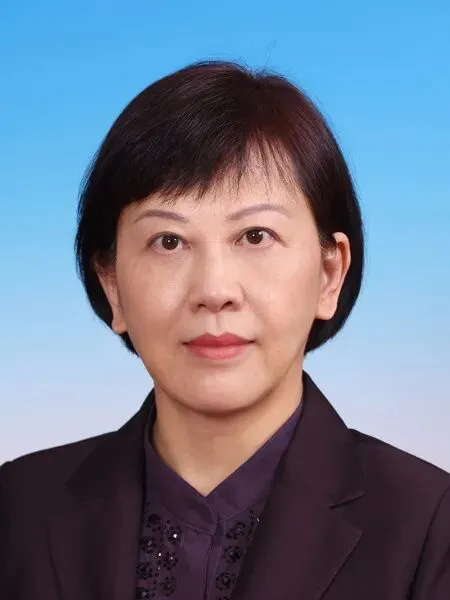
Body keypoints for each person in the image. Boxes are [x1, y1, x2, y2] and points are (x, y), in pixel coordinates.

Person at [1, 60, 449, 600]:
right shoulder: (17, 509)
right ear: (113, 285)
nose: (214, 290)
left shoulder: (431, 527)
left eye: (256, 236)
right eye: (168, 242)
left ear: (329, 274)